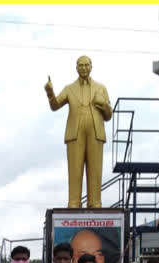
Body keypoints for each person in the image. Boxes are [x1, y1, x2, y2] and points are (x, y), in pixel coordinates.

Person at [44, 55, 113, 208]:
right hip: (75, 132)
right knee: (75, 169)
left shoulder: (101, 88)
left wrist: (104, 105)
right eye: (80, 65)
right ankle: (74, 202)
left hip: (96, 131)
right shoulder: (69, 89)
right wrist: (50, 93)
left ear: (91, 67)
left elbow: (108, 115)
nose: (83, 68)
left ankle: (95, 202)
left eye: (86, 65)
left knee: (95, 170)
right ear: (76, 68)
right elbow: (55, 105)